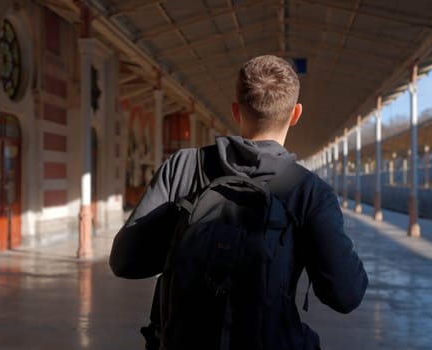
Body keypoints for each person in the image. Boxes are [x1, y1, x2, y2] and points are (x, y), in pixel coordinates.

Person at [109, 54, 368, 349]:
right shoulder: (308, 191)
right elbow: (346, 295)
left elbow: (125, 262)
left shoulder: (184, 166)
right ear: (296, 114)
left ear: (235, 110)